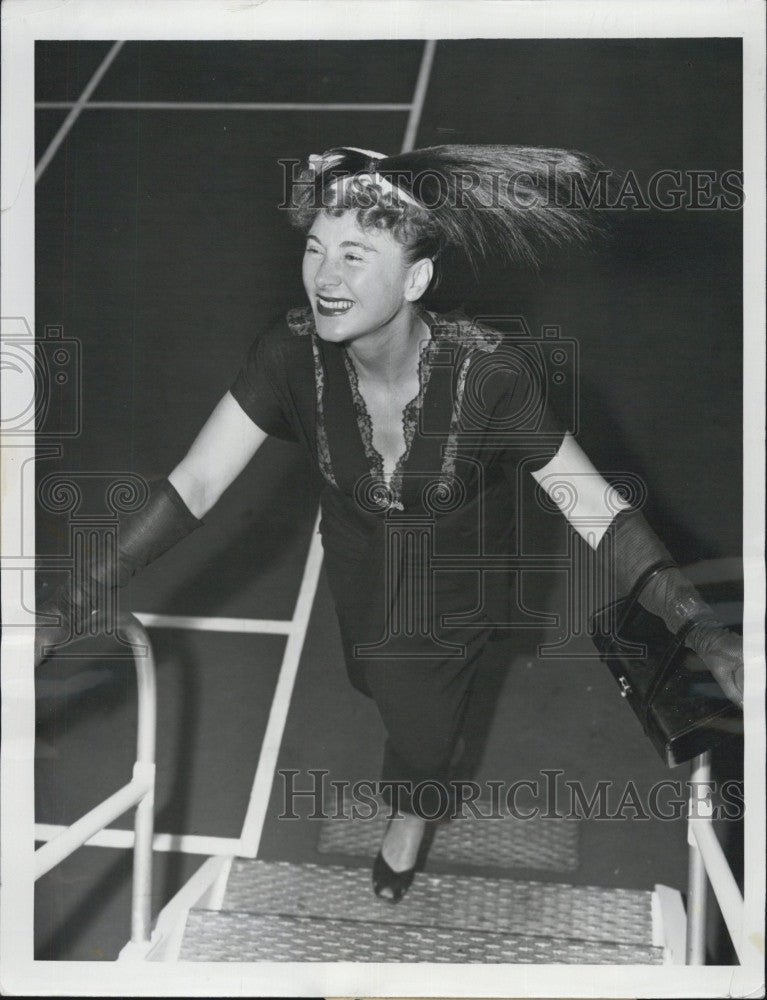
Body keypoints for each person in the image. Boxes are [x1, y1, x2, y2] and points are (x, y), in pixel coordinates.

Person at [35, 144, 744, 904]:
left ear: (416, 279)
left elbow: (594, 505)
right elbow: (197, 481)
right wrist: (70, 606)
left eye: (354, 255)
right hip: (356, 556)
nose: (326, 278)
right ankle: (416, 756)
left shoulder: (491, 376)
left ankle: (414, 809)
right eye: (315, 249)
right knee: (370, 678)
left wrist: (700, 629)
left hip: (451, 591)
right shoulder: (286, 358)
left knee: (420, 732)